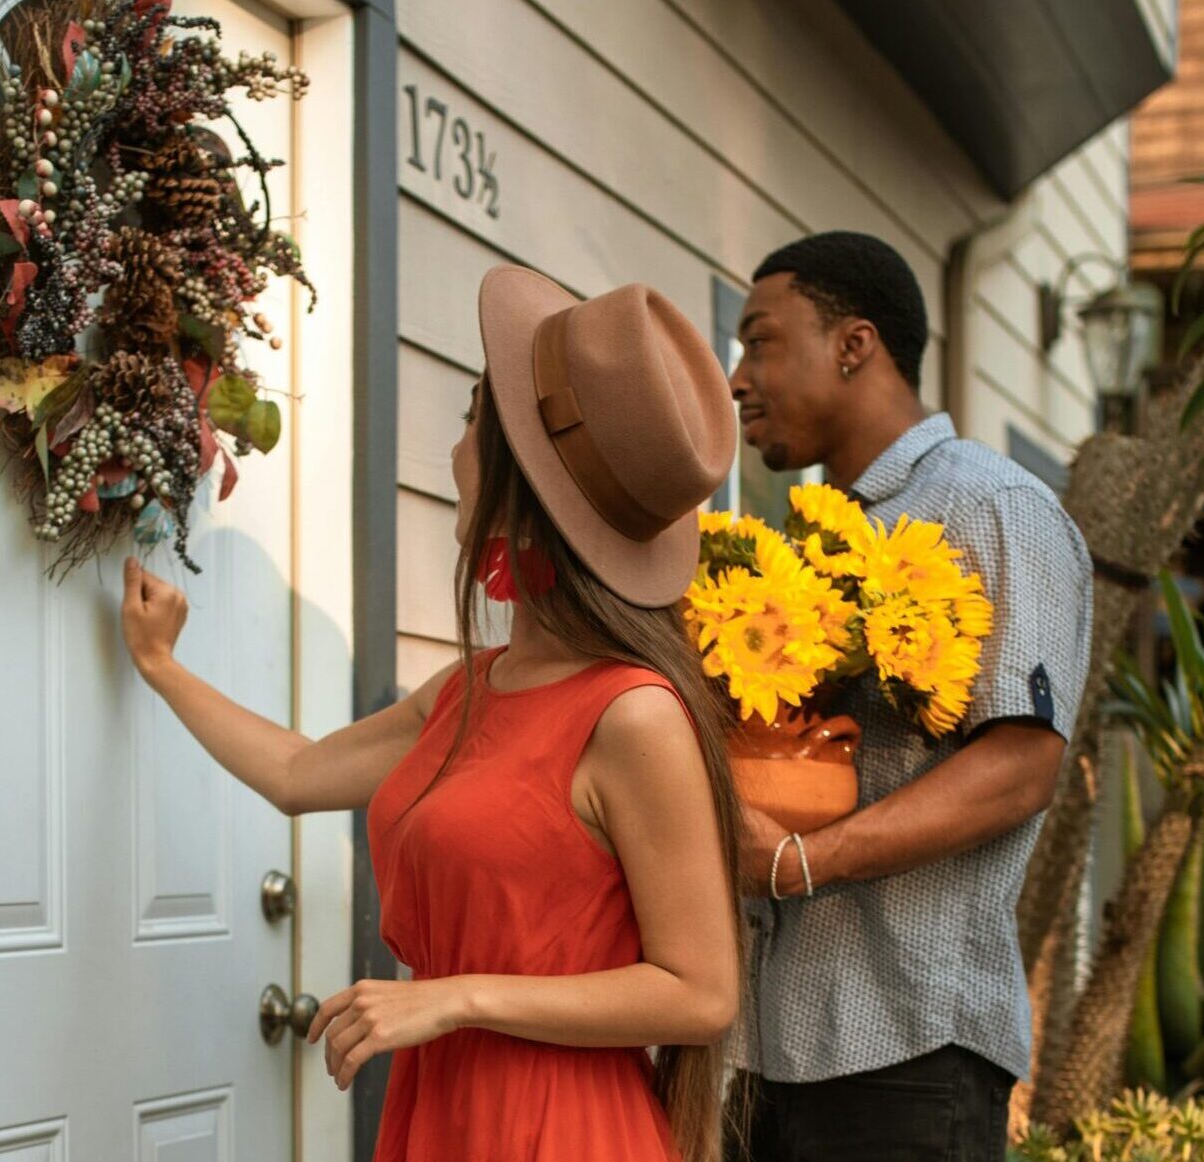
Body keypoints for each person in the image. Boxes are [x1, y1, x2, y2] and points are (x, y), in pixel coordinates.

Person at [121, 265, 746, 1162]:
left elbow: (701, 992)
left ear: (516, 487)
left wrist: (454, 995)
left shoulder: (633, 714)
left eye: (469, 419)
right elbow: (299, 775)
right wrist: (160, 666)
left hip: (561, 1131)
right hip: (445, 1112)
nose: (452, 447)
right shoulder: (472, 690)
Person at [724, 232, 1094, 1162]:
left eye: (760, 342)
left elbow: (1021, 766)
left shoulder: (991, 507)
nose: (737, 379)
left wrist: (800, 863)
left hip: (909, 1054)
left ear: (855, 345)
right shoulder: (803, 539)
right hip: (762, 1054)